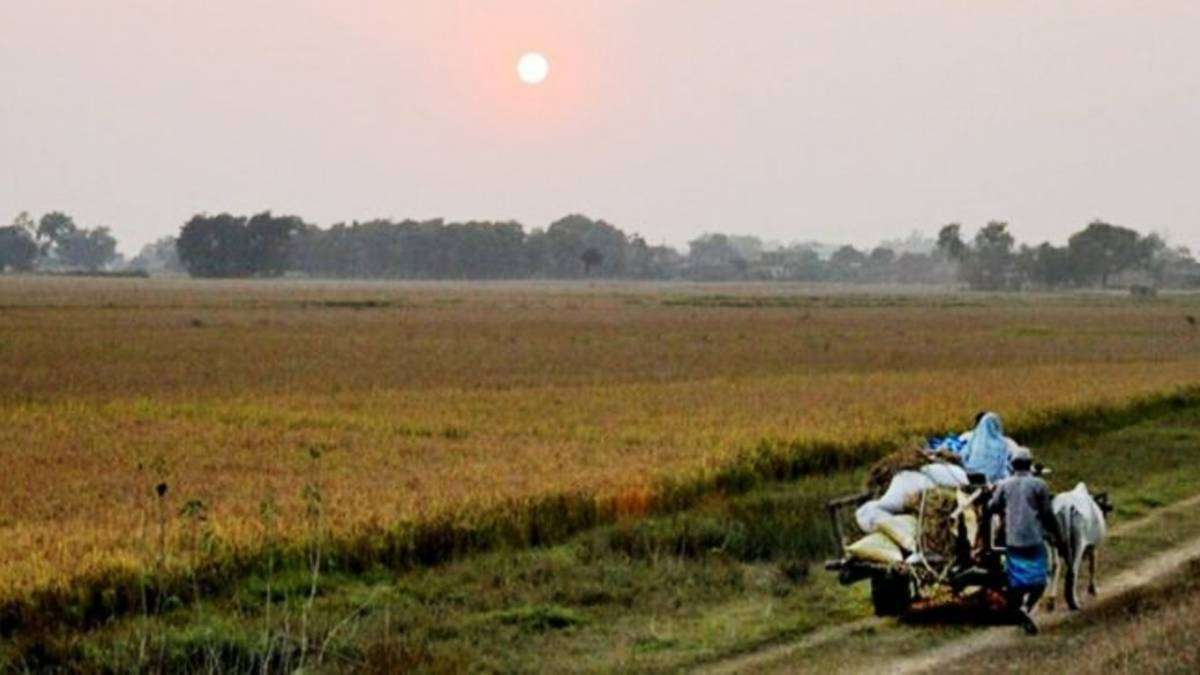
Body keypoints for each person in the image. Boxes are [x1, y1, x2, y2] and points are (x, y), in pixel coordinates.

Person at [987, 447, 1065, 635]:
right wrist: (1058, 535)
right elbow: (1047, 514)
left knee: (1016, 581)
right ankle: (1026, 608)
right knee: (1040, 579)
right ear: (1030, 464)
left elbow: (992, 506)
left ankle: (1019, 609)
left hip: (1012, 541)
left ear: (1012, 465)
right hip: (1034, 540)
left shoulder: (1004, 485)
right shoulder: (1039, 485)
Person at [962, 412, 1022, 483]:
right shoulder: (1005, 443)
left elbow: (963, 458)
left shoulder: (972, 441)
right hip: (998, 480)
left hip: (973, 478)